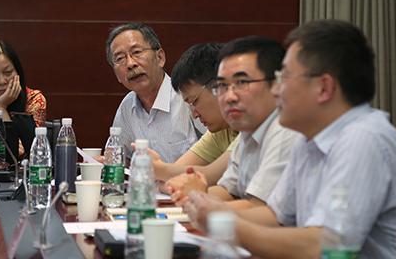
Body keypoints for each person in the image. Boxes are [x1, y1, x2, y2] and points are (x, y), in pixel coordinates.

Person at [183, 20, 396, 258]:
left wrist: (224, 224)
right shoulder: (309, 140)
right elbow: (275, 216)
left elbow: (326, 246)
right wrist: (209, 211)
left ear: (324, 87)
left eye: (284, 77)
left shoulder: (363, 138)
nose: (276, 90)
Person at [167, 36, 299, 211]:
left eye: (242, 82)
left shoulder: (285, 131)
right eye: (222, 86)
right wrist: (193, 196)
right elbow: (227, 190)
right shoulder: (249, 130)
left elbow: (259, 208)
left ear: (277, 84)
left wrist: (202, 203)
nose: (229, 97)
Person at [107, 22, 205, 163]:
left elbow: (221, 149)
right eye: (120, 59)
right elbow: (121, 159)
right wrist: (103, 163)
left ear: (160, 58)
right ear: (117, 75)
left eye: (137, 52)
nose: (130, 64)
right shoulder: (127, 107)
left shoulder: (188, 97)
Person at [147, 43, 239, 185]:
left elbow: (208, 175)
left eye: (194, 101)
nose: (194, 115)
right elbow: (173, 180)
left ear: (219, 86)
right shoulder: (221, 130)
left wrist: (159, 169)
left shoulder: (252, 127)